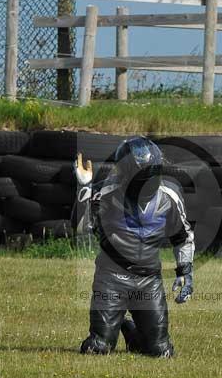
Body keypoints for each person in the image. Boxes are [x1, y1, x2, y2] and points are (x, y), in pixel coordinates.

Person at [72, 136, 194, 357]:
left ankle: (130, 330)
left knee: (161, 351)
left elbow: (182, 237)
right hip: (112, 279)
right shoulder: (105, 193)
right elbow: (81, 228)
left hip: (149, 282)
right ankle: (114, 326)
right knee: (98, 347)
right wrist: (84, 187)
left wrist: (185, 270)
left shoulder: (169, 198)